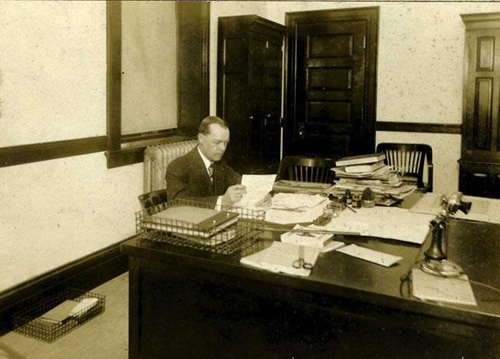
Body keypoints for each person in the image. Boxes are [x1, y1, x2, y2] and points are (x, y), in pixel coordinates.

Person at [165, 116, 246, 207]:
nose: (222, 148)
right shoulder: (177, 167)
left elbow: (239, 181)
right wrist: (221, 201)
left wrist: (261, 189)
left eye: (225, 143)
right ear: (201, 138)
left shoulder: (219, 163)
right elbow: (177, 203)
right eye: (216, 142)